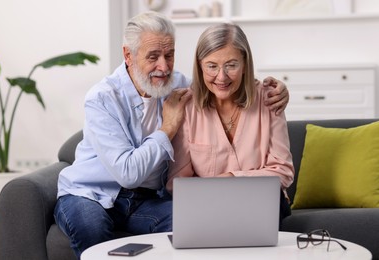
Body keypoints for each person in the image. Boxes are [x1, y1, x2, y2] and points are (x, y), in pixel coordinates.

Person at [54, 12, 290, 258]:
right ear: (128, 55)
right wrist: (167, 128)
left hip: (144, 201)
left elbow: (219, 80)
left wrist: (273, 90)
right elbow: (128, 174)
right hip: (89, 193)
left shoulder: (177, 85)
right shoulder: (102, 98)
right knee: (92, 228)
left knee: (196, 226)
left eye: (169, 55)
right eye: (153, 57)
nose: (164, 67)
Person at [166, 23, 295, 225]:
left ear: (245, 64)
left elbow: (283, 171)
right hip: (208, 207)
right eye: (212, 66)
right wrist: (217, 193)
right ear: (200, 66)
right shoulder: (188, 107)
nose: (221, 77)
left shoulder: (270, 99)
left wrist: (231, 178)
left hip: (263, 205)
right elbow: (177, 183)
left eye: (231, 65)